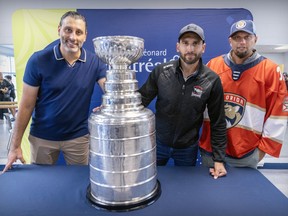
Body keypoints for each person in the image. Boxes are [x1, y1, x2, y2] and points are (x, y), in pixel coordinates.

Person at [2, 11, 107, 173]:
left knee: (79, 183)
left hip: (78, 139)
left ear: (85, 36)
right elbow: (26, 105)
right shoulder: (38, 60)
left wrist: (109, 103)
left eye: (79, 32)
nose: (73, 37)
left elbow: (109, 89)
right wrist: (14, 147)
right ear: (59, 30)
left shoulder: (95, 62)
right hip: (42, 139)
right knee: (41, 186)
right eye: (68, 30)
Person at [139, 23, 227, 179]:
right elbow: (141, 100)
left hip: (187, 149)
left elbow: (218, 122)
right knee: (149, 183)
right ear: (177, 46)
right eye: (185, 43)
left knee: (185, 189)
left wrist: (218, 159)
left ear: (203, 47)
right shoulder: (161, 71)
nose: (190, 49)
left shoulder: (212, 80)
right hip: (157, 144)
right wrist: (113, 108)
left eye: (195, 43)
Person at [200, 20, 288, 169]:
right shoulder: (213, 66)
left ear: (255, 39)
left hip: (247, 154)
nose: (242, 42)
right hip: (212, 152)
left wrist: (261, 151)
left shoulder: (271, 71)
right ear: (230, 41)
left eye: (247, 37)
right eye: (237, 38)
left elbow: (278, 114)